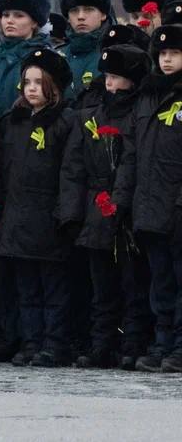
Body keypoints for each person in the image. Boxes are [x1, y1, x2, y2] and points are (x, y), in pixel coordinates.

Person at [59, 42, 153, 369]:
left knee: (133, 285)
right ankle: (102, 343)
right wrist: (71, 213)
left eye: (115, 77)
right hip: (95, 209)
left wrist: (120, 204)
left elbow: (134, 163)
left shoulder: (140, 114)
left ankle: (132, 343)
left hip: (127, 213)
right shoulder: (91, 116)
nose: (109, 83)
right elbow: (73, 168)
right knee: (101, 287)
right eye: (107, 76)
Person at [0, 48, 78, 367]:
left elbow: (71, 171)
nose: (31, 89)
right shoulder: (12, 121)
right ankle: (31, 340)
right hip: (17, 218)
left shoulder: (66, 121)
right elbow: (0, 170)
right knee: (25, 289)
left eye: (39, 82)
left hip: (50, 218)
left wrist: (66, 214)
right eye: (27, 82)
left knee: (53, 288)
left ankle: (55, 343)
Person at [114, 25, 182, 371]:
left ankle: (179, 346)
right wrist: (122, 201)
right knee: (161, 282)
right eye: (163, 53)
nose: (167, 60)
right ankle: (162, 343)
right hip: (150, 206)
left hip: (177, 206)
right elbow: (131, 155)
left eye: (175, 53)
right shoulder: (147, 96)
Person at [58, 0, 114, 101]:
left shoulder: (115, 53)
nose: (81, 16)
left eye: (88, 9)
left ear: (103, 14)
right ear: (67, 17)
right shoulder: (57, 56)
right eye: (74, 11)